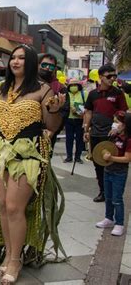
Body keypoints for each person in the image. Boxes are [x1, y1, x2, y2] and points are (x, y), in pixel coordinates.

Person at [0, 45, 67, 283]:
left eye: (22, 58)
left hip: (28, 154)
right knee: (3, 205)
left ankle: (16, 260)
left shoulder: (42, 90)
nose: (15, 61)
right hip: (2, 153)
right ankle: (9, 253)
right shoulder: (2, 89)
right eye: (13, 57)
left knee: (14, 206)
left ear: (30, 62)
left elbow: (52, 127)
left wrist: (55, 109)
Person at [83, 64, 128, 202]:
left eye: (114, 76)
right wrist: (86, 129)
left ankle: (111, 192)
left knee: (109, 164)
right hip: (95, 133)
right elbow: (88, 112)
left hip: (111, 135)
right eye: (109, 76)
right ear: (101, 77)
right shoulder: (92, 94)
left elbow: (123, 113)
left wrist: (116, 127)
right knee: (98, 163)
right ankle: (102, 191)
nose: (112, 79)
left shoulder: (118, 93)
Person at [95, 111, 131, 236]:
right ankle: (108, 218)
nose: (114, 124)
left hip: (119, 173)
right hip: (108, 170)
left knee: (117, 199)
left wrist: (111, 158)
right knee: (108, 197)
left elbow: (127, 158)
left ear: (125, 124)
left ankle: (119, 223)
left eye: (117, 122)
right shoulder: (114, 136)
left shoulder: (128, 139)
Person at [38, 54, 69, 150]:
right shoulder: (28, 83)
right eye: (44, 65)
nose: (47, 68)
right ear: (37, 65)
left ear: (55, 68)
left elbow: (64, 112)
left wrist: (53, 131)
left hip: (48, 132)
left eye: (51, 66)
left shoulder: (61, 88)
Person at [63, 78, 87, 164]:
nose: (73, 87)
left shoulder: (83, 94)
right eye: (72, 85)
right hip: (68, 120)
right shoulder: (66, 94)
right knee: (69, 139)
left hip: (79, 120)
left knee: (79, 139)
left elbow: (86, 108)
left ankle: (78, 157)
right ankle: (69, 157)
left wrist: (77, 111)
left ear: (79, 86)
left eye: (75, 85)